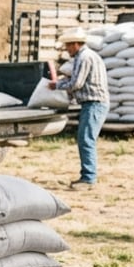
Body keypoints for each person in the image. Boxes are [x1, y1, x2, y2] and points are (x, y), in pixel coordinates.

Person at [49, 28, 109, 190]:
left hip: (94, 103)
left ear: (76, 44)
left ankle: (88, 178)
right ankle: (88, 176)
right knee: (86, 139)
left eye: (68, 45)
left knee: (86, 139)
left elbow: (76, 83)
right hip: (93, 103)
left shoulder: (84, 58)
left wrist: (57, 85)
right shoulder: (87, 56)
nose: (67, 49)